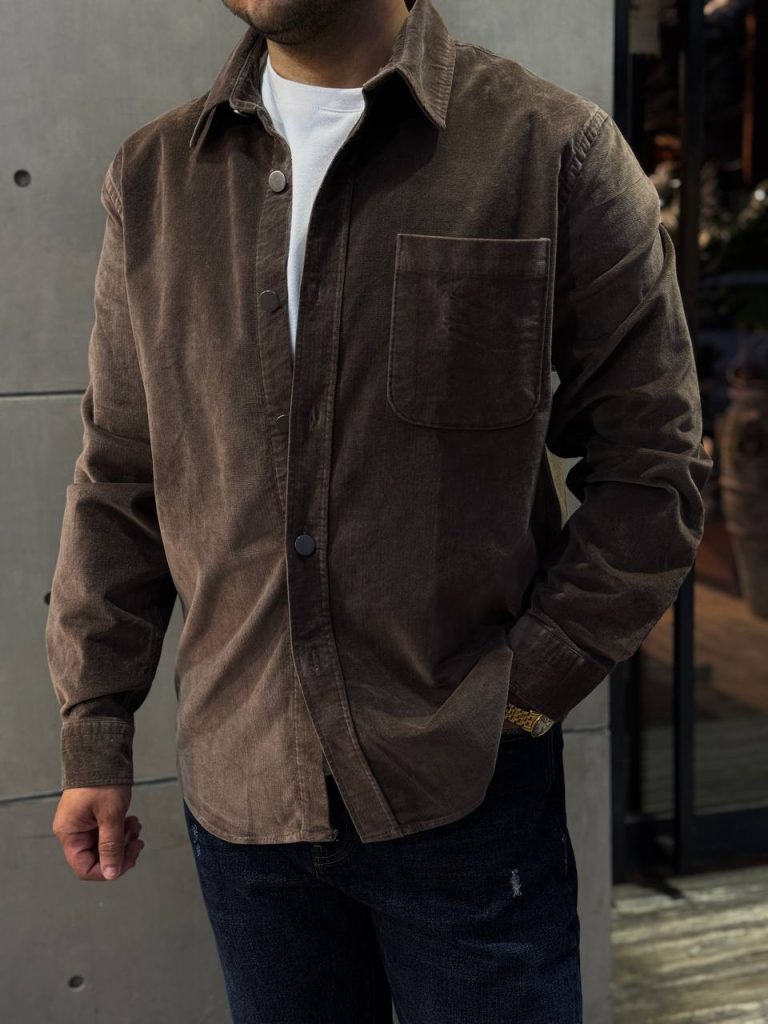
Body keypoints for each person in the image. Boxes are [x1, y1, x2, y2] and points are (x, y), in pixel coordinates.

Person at [46, 0, 713, 1020]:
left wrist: (523, 694)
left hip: (467, 798)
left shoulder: (549, 149)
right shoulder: (154, 180)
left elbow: (654, 463)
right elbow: (121, 477)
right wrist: (96, 725)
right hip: (243, 810)